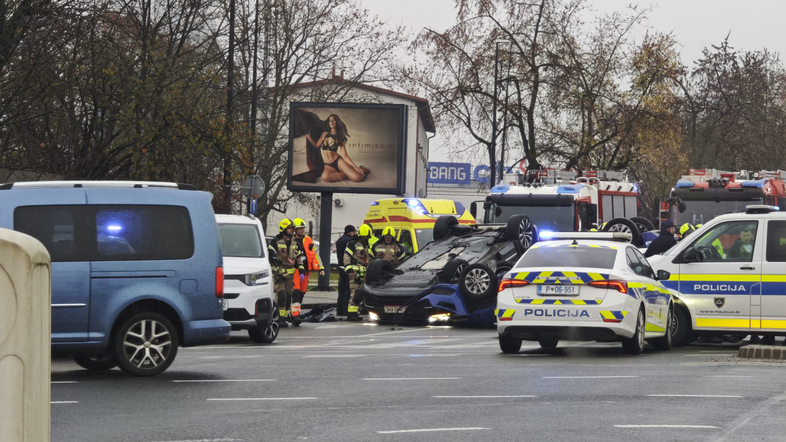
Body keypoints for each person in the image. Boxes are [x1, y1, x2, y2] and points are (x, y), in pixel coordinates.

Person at [305, 114, 370, 183]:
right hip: (328, 165)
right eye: (330, 121)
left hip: (338, 161)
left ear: (337, 122)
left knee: (358, 178)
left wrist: (356, 168)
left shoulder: (339, 136)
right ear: (328, 123)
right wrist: (309, 138)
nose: (331, 122)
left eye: (334, 120)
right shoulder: (324, 134)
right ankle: (348, 173)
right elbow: (317, 145)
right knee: (324, 177)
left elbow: (345, 156)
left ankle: (361, 168)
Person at [268, 219, 302, 328]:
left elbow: (299, 256)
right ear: (283, 229)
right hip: (279, 275)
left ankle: (284, 317)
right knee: (281, 296)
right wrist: (277, 272)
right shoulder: (275, 241)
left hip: (290, 276)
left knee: (288, 297)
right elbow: (271, 258)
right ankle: (279, 318)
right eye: (290, 228)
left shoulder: (294, 242)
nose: (292, 230)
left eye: (292, 228)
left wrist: (301, 268)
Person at [292, 218, 324, 325]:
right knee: (296, 292)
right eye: (300, 228)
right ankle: (295, 316)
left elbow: (315, 254)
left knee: (302, 292)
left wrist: (321, 267)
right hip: (295, 270)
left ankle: (294, 312)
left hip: (305, 271)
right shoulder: (291, 241)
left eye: (303, 228)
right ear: (295, 230)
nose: (303, 230)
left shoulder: (308, 240)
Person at [343, 224, 373, 320]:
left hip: (363, 272)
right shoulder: (352, 244)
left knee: (359, 294)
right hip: (355, 273)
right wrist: (349, 270)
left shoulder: (365, 245)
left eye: (367, 237)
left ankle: (355, 312)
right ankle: (351, 314)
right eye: (365, 237)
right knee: (355, 293)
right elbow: (346, 257)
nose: (366, 239)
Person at [335, 225, 357, 318]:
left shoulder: (340, 240)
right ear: (350, 232)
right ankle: (345, 310)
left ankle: (339, 309)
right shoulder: (348, 241)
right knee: (347, 289)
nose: (355, 233)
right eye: (354, 232)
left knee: (341, 289)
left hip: (340, 266)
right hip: (346, 267)